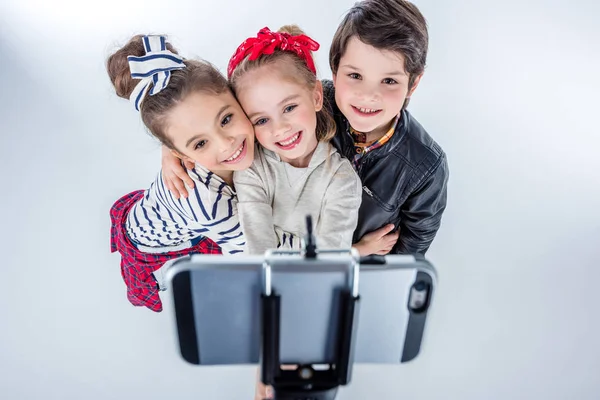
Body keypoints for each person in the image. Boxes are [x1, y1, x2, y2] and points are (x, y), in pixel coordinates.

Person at [163, 0, 449, 257]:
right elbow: (229, 107)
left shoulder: (425, 165)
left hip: (357, 276)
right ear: (334, 72)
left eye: (389, 81)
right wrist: (172, 148)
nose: (367, 96)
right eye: (355, 75)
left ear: (413, 83)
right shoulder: (302, 105)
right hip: (284, 262)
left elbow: (410, 253)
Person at [107, 34, 255, 312]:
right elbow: (253, 259)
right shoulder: (211, 206)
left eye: (226, 119)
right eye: (200, 143)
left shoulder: (227, 126)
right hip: (150, 240)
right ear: (180, 154)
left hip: (169, 203)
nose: (227, 143)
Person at [227, 25, 362, 254]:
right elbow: (257, 251)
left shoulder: (341, 179)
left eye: (289, 107)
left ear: (316, 97)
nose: (280, 129)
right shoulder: (252, 169)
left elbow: (331, 260)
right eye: (261, 120)